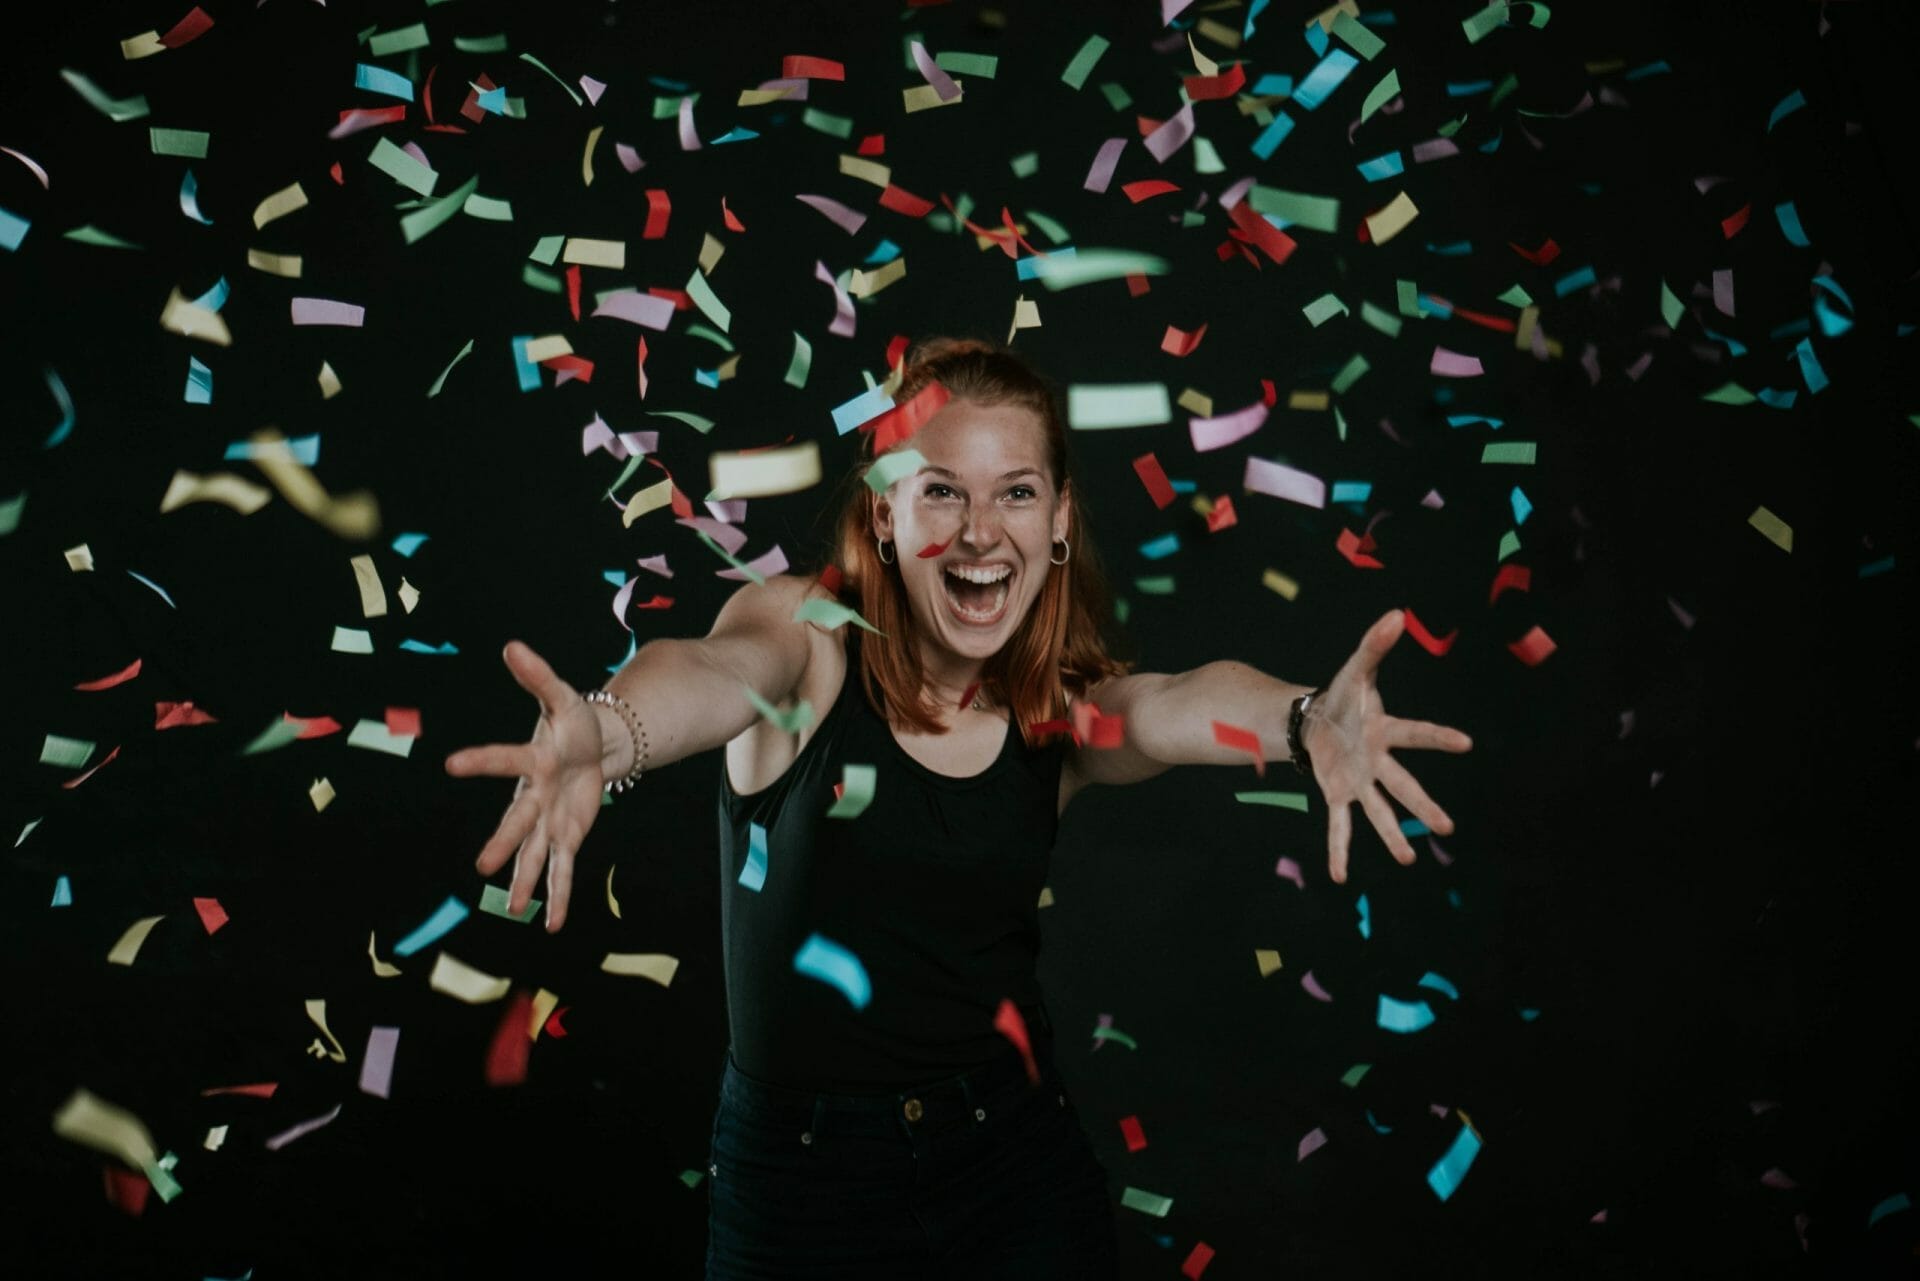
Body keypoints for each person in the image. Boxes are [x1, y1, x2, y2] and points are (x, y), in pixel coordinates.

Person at [444, 337, 1474, 1279]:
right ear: (885, 514)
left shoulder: (1058, 715)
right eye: (941, 493)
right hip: (803, 1187)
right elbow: (711, 670)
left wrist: (1304, 723)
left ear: (1059, 519)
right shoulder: (806, 644)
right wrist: (611, 732)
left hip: (1010, 1163)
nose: (980, 534)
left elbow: (1167, 705)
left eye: (1016, 493)